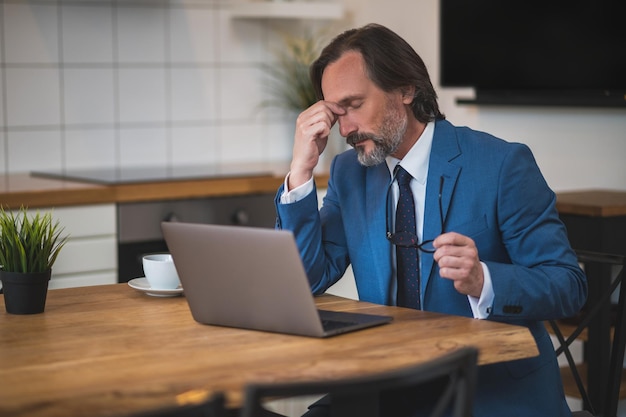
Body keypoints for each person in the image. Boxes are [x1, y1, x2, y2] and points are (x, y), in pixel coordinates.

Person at [273, 23, 587, 417]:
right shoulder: (349, 173)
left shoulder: (502, 164)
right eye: (337, 113)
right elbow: (306, 279)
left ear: (406, 89)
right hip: (387, 388)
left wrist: (483, 281)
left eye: (354, 105)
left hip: (486, 393)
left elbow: (568, 284)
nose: (346, 129)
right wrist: (300, 171)